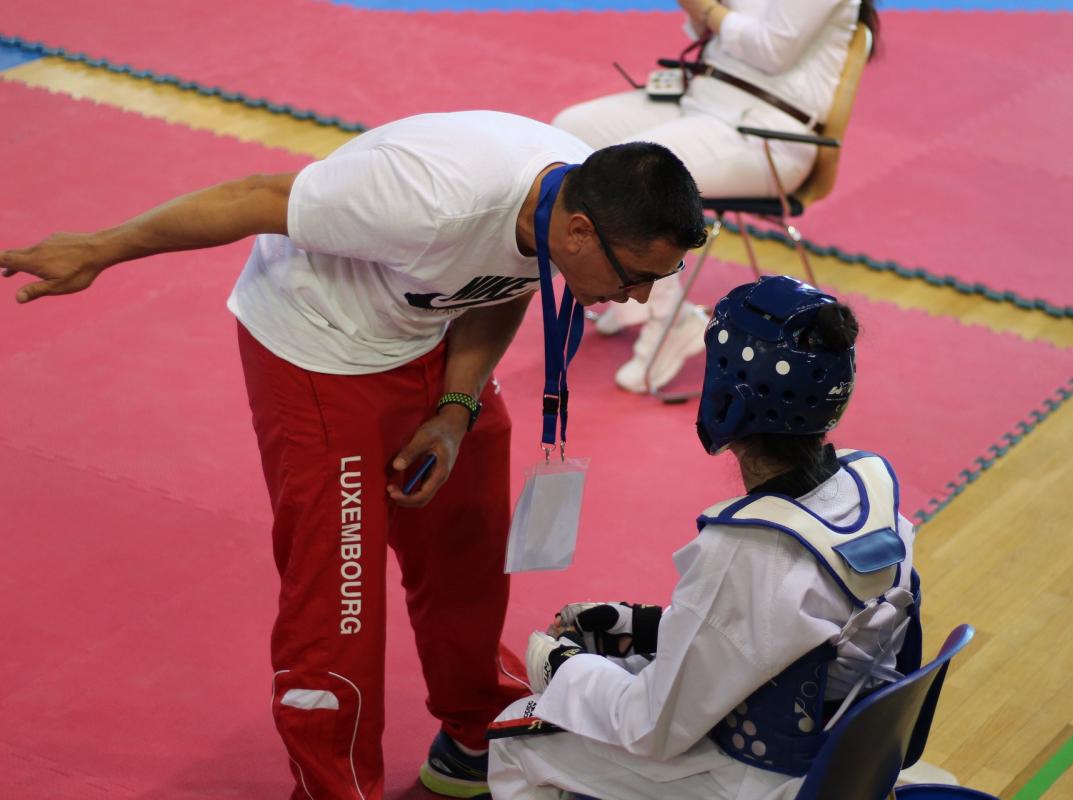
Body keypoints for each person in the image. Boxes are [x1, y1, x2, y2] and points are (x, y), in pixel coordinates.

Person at [0, 110, 706, 800]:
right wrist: (100, 247)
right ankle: (335, 786)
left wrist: (456, 413)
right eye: (637, 275)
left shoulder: (566, 205)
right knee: (339, 598)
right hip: (318, 353)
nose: (641, 296)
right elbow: (253, 198)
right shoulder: (425, 198)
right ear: (579, 232)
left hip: (429, 337)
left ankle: (472, 736)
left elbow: (506, 281)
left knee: (470, 545)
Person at [489, 276, 922, 799]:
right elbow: (779, 632)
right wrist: (644, 626)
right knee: (617, 670)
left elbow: (650, 727)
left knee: (519, 732)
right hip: (843, 761)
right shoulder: (872, 489)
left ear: (727, 396)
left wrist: (561, 668)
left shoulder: (749, 552)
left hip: (755, 779)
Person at [553, 0, 881, 394]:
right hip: (701, 100)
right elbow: (709, 35)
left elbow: (772, 50)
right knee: (569, 133)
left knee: (637, 178)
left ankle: (672, 321)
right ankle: (634, 287)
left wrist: (705, 7)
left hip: (765, 129)